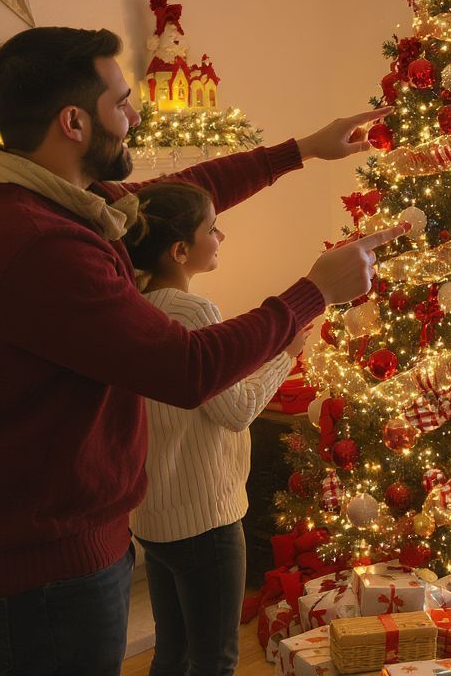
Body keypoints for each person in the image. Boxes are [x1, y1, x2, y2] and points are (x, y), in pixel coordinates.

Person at [0, 26, 406, 676]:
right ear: (73, 122)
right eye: (121, 101)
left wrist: (303, 150)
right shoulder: (41, 242)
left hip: (37, 548)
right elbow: (187, 366)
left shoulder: (43, 197)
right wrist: (313, 294)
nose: (137, 113)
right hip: (31, 571)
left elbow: (181, 191)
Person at [120, 181, 306, 676]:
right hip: (206, 518)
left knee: (173, 653)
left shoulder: (132, 303)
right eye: (211, 229)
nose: (220, 237)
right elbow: (239, 408)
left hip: (155, 516)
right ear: (181, 251)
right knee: (215, 659)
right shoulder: (192, 312)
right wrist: (287, 355)